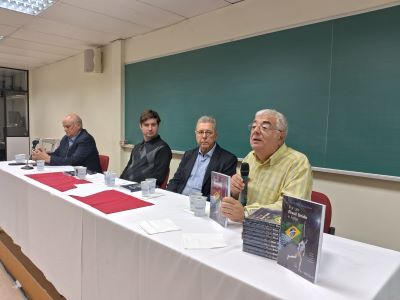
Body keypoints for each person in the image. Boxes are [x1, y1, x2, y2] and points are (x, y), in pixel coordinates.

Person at [221, 109, 312, 222]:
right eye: (254, 126)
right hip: (245, 227)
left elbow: (292, 210)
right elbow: (241, 202)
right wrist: (234, 191)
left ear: (281, 137)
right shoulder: (250, 157)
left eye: (264, 127)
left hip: (273, 235)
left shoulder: (297, 163)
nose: (256, 131)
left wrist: (246, 213)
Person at [167, 116, 237, 197]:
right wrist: (170, 196)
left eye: (208, 132)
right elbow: (175, 180)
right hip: (180, 199)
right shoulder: (188, 155)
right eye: (200, 132)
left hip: (201, 205)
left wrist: (198, 203)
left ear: (215, 135)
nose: (204, 136)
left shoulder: (228, 160)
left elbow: (219, 196)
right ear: (196, 134)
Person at [32, 113, 102, 173]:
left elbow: (73, 161)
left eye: (67, 127)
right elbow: (57, 154)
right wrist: (42, 155)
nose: (65, 129)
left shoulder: (86, 139)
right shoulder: (65, 138)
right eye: (64, 127)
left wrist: (47, 158)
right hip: (70, 173)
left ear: (78, 126)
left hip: (89, 176)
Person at [120, 110, 172, 186]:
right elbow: (128, 168)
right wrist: (119, 182)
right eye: (146, 125)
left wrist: (134, 186)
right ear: (140, 126)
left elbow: (158, 178)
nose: (150, 128)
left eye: (153, 125)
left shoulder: (163, 149)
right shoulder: (137, 147)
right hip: (126, 186)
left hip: (141, 190)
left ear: (158, 125)